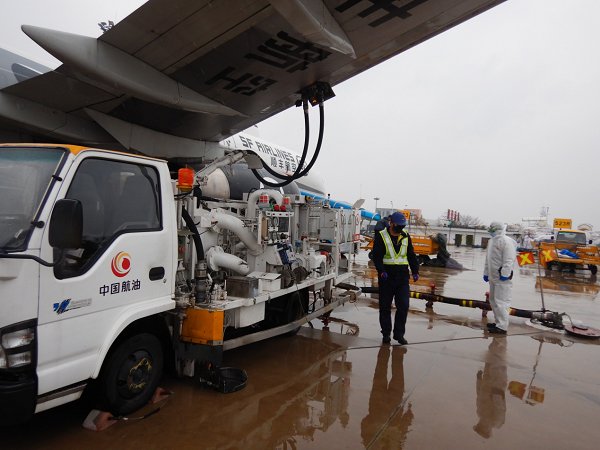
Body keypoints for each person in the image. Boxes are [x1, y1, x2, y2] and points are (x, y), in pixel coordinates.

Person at [372, 212, 419, 344]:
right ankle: (386, 333)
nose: (401, 228)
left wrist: (415, 271)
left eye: (403, 226)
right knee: (385, 307)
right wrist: (381, 271)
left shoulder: (405, 236)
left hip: (402, 276)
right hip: (387, 277)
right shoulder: (382, 236)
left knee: (403, 306)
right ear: (391, 223)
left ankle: (399, 334)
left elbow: (411, 254)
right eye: (399, 225)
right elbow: (377, 256)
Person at [483, 221, 517, 334]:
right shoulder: (491, 241)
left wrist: (505, 274)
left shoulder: (507, 241)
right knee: (493, 301)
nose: (491, 232)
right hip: (493, 277)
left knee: (502, 302)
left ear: (498, 230)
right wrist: (486, 272)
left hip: (502, 278)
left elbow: (509, 260)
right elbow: (488, 259)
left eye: (492, 230)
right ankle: (498, 322)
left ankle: (502, 327)